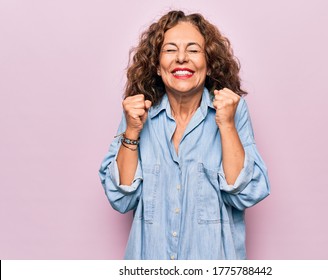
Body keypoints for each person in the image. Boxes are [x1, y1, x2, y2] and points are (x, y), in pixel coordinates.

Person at [99, 10, 270, 260]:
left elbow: (244, 194)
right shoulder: (137, 113)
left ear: (208, 63)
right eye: (169, 50)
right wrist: (132, 132)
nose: (181, 58)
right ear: (157, 66)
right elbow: (122, 198)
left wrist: (226, 125)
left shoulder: (233, 110)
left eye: (193, 50)